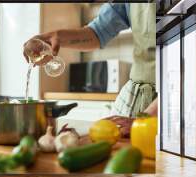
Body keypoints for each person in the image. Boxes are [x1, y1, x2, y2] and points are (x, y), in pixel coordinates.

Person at [23, 3, 157, 136]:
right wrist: (52, 38)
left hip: (171, 99)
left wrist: (144, 119)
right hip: (136, 97)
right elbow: (98, 31)